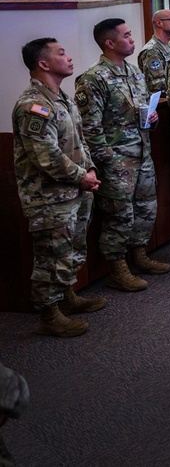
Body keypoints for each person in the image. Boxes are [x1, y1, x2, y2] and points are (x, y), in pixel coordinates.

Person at [13, 38, 104, 337]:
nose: (68, 57)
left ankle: (67, 296)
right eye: (61, 53)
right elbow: (46, 156)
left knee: (72, 249)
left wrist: (88, 168)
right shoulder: (33, 106)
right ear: (43, 64)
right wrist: (82, 175)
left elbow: (78, 140)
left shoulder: (61, 98)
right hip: (49, 197)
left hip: (76, 189)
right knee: (52, 255)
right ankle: (49, 315)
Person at [75, 18, 169, 292]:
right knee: (119, 215)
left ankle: (138, 256)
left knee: (145, 208)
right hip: (115, 159)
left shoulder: (134, 72)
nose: (132, 39)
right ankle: (117, 268)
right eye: (126, 36)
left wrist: (152, 118)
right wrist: (106, 162)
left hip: (142, 152)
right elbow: (89, 127)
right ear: (109, 42)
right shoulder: (93, 78)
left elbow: (141, 110)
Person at [137, 9, 170, 97]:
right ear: (159, 23)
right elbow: (157, 85)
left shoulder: (169, 46)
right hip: (163, 101)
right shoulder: (151, 51)